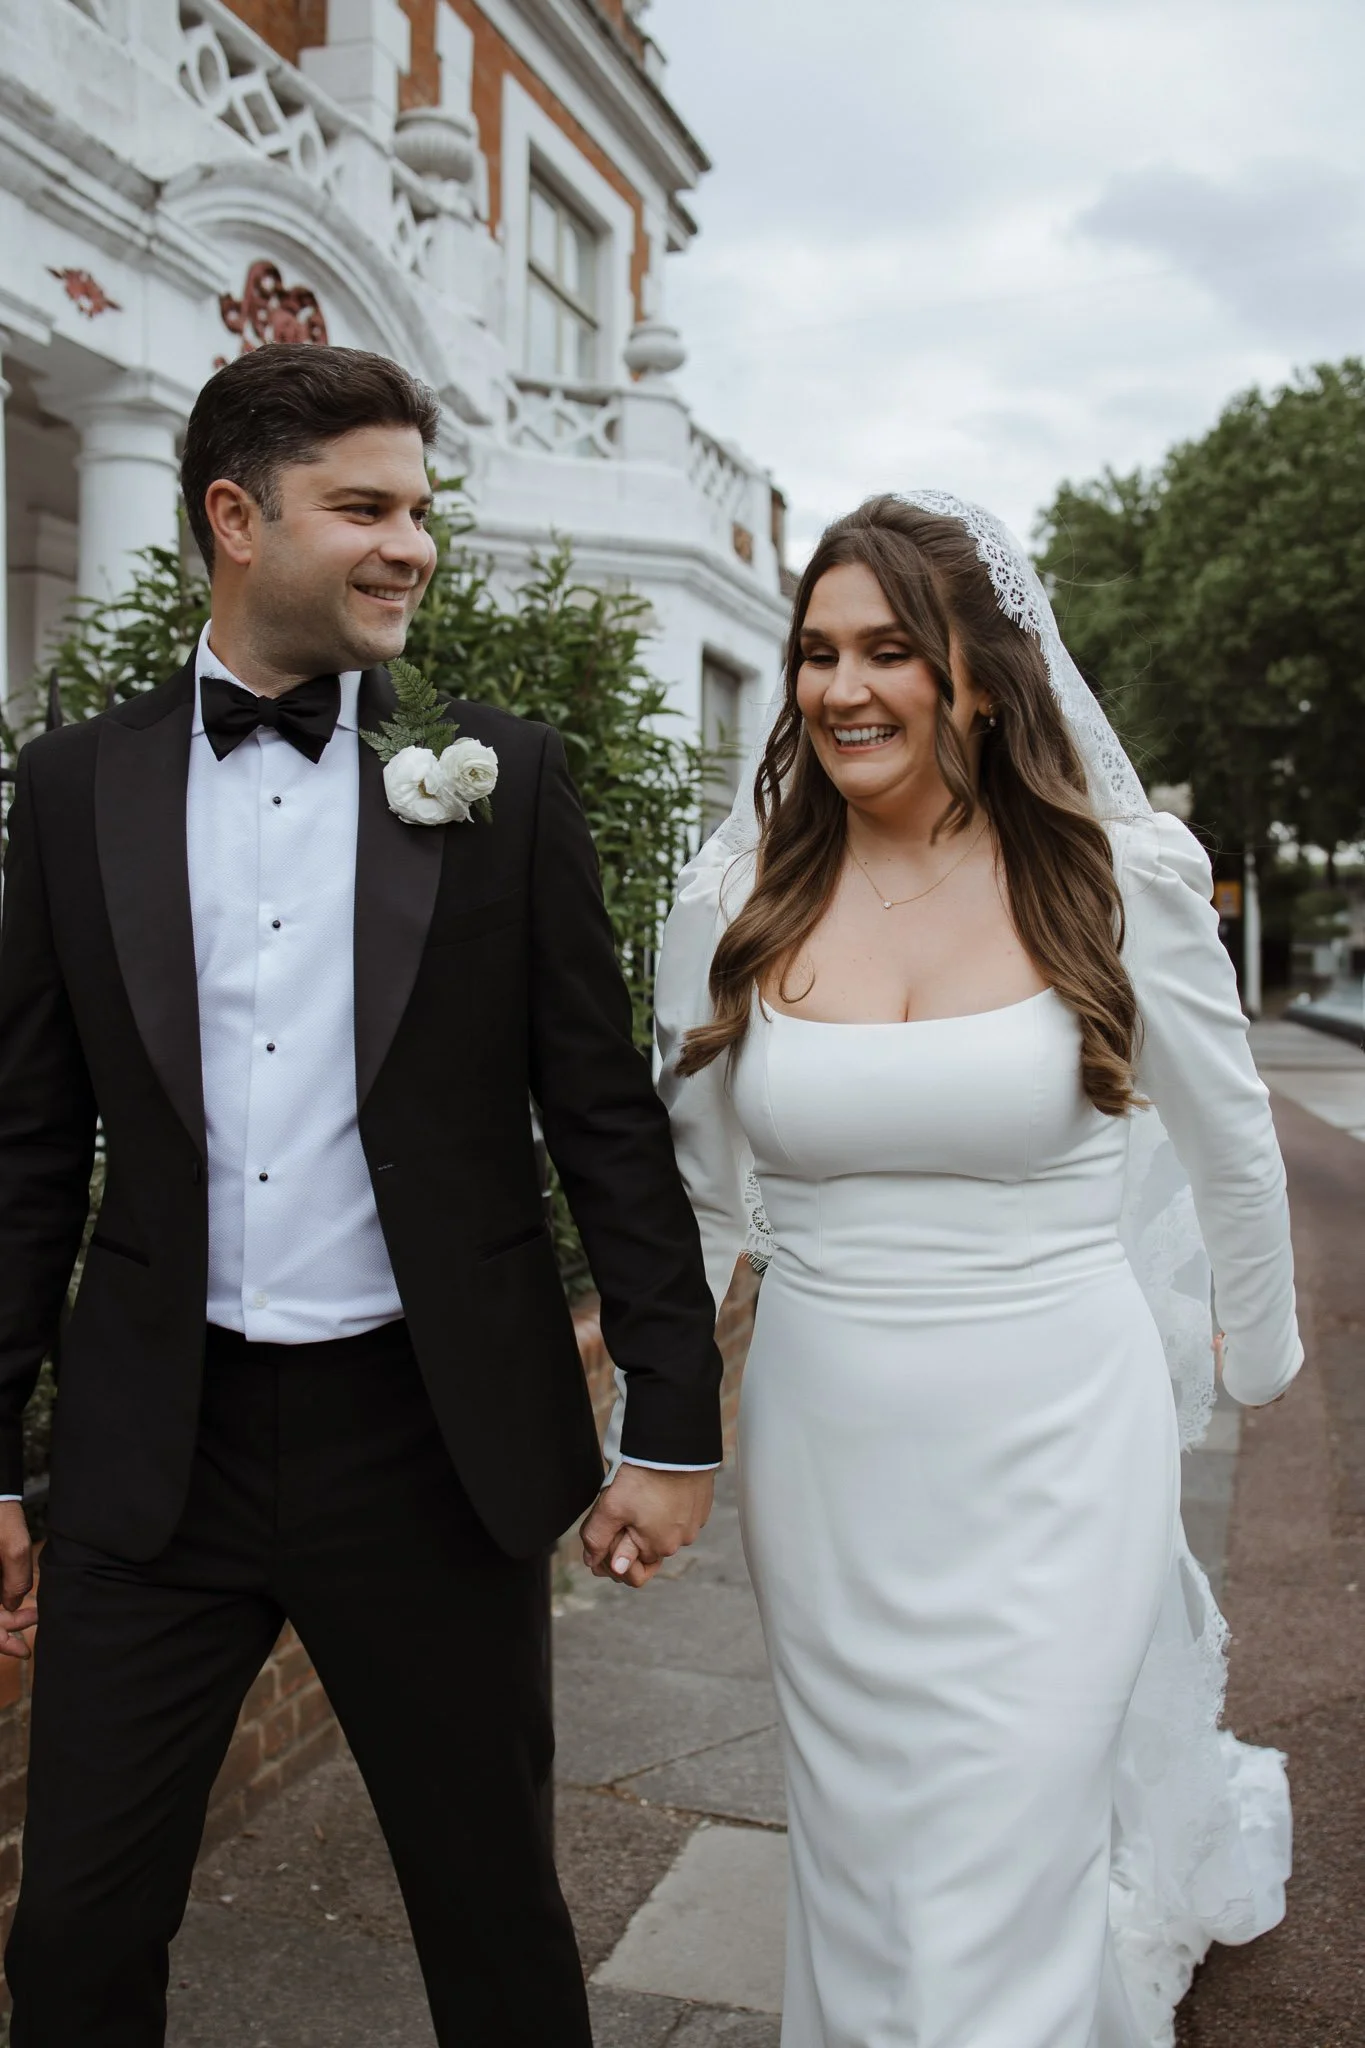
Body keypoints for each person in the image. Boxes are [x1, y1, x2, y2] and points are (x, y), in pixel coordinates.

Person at [0, 341, 722, 2047]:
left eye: (423, 509)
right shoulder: (73, 789)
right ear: (236, 518)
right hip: (147, 1462)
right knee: (76, 1939)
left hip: (426, 1441)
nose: (412, 544)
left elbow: (602, 1119)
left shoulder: (503, 779)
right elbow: (27, 1144)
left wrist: (672, 1423)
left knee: (494, 1929)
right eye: (367, 508)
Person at [652, 492, 1299, 2048]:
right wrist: (650, 1440)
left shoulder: (1117, 875)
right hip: (832, 1450)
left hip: (1060, 1442)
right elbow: (695, 1207)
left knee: (1004, 1850)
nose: (841, 689)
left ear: (984, 678)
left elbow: (1234, 1143)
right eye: (816, 653)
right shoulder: (736, 898)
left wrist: (1254, 1360)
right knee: (873, 1860)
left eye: (890, 649)